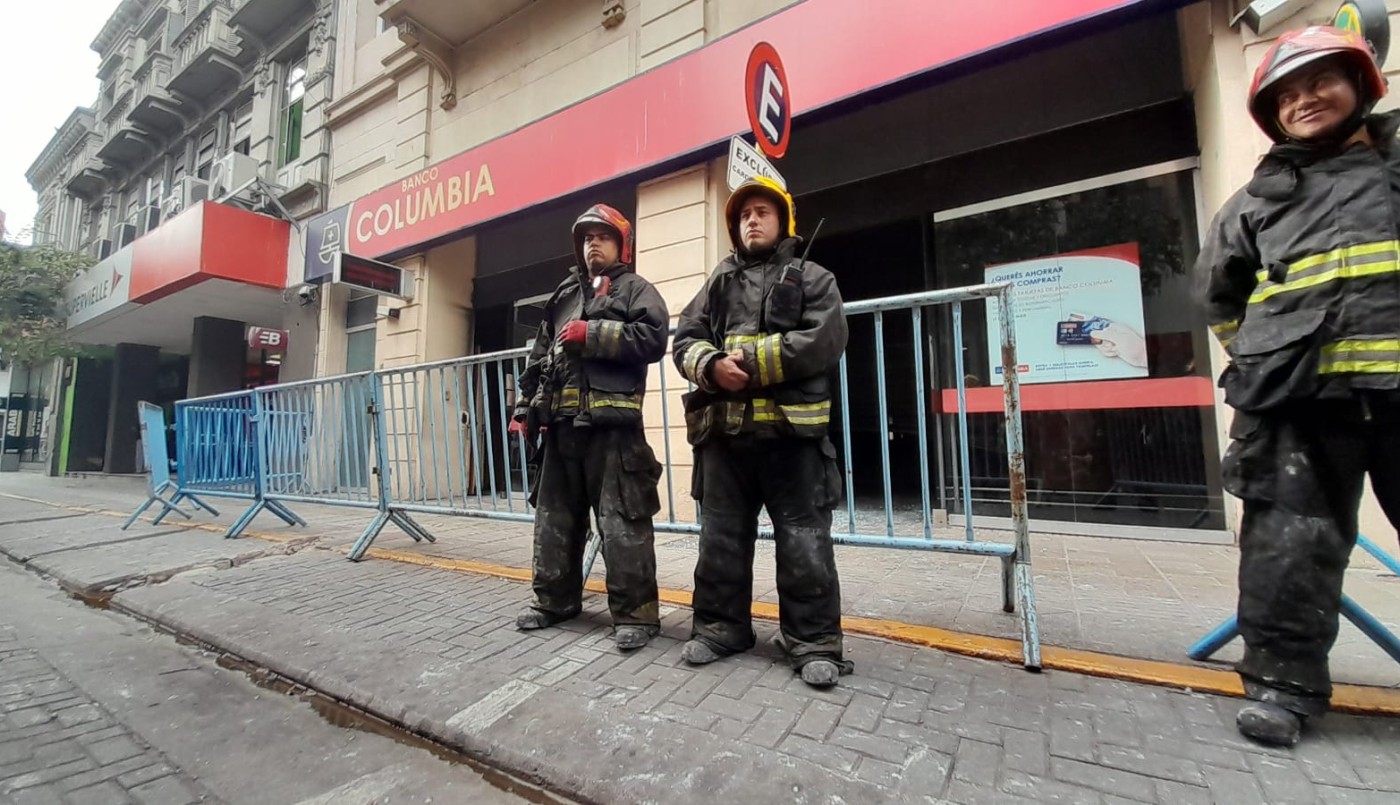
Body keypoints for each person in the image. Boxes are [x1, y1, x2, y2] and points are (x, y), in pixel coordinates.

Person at [1197, 25, 1400, 746]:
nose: (1305, 100)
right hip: (1298, 399)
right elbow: (1220, 297)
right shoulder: (1259, 200)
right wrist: (1259, 360)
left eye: (1320, 82)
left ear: (1363, 86)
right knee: (1289, 543)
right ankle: (1284, 685)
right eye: (1286, 94)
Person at [672, 176, 852, 687]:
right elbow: (684, 339)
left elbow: (825, 338)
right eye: (744, 214)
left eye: (762, 212)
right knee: (721, 541)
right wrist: (709, 366)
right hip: (725, 439)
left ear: (783, 222)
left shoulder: (815, 277)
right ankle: (719, 629)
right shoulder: (718, 281)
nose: (752, 219)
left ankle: (814, 642)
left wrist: (746, 362)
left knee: (804, 544)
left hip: (792, 441)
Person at [512, 204, 669, 650]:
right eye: (585, 238)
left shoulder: (636, 289)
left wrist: (593, 333)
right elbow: (538, 359)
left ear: (622, 244)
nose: (592, 244)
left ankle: (636, 616)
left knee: (623, 524)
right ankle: (553, 602)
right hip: (560, 430)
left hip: (613, 432)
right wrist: (524, 409)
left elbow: (654, 338)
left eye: (601, 236)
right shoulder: (562, 296)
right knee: (554, 520)